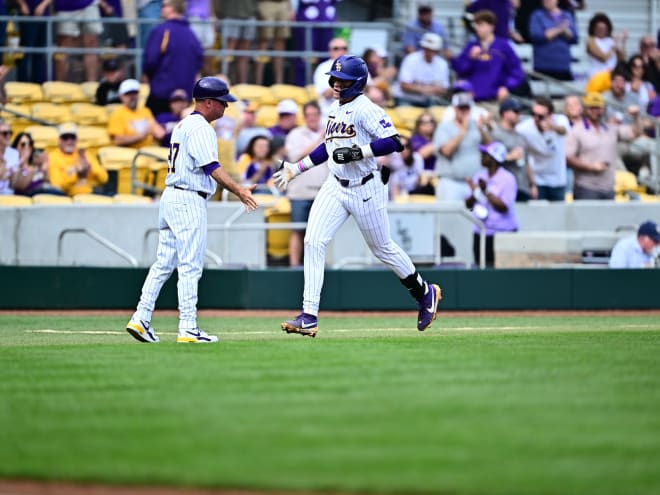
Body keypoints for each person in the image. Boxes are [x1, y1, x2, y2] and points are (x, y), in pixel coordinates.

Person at [273, 55, 442, 337]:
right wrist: (296, 168)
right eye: (335, 79)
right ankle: (309, 315)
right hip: (335, 185)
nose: (337, 84)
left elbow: (395, 142)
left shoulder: (366, 109)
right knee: (313, 240)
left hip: (365, 187)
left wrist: (357, 152)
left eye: (343, 80)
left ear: (358, 82)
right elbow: (327, 149)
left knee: (382, 248)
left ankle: (424, 292)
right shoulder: (333, 108)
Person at [126, 77, 259, 344]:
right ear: (208, 102)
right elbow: (211, 167)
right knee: (190, 265)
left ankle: (141, 317)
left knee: (164, 263)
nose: (225, 108)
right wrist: (240, 190)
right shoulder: (200, 128)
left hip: (172, 197)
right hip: (188, 198)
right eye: (222, 102)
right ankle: (188, 326)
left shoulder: (184, 124)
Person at [565, 92, 641, 200]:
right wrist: (590, 167)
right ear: (586, 109)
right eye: (592, 108)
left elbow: (635, 133)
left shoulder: (611, 129)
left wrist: (636, 117)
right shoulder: (577, 130)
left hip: (608, 188)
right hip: (586, 187)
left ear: (604, 109)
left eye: (598, 108)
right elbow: (568, 158)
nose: (595, 111)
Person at [284, 100, 327, 267]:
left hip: (323, 191)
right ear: (304, 117)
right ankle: (294, 264)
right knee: (297, 230)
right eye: (309, 115)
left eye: (315, 114)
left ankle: (318, 264)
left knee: (321, 233)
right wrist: (319, 140)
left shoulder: (327, 134)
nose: (312, 118)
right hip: (300, 192)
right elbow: (296, 157)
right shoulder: (295, 135)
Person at [142, 0, 203, 117]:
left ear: (173, 8)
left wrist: (148, 75)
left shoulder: (162, 31)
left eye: (164, 5)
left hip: (162, 95)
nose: (161, 8)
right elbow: (199, 63)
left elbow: (150, 61)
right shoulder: (191, 34)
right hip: (185, 97)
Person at [451, 10, 527, 103]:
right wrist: (470, 59)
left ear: (491, 26)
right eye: (476, 25)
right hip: (473, 99)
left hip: (495, 99)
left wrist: (507, 87)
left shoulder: (503, 46)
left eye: (481, 25)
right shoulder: (471, 47)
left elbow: (517, 71)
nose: (478, 28)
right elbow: (460, 70)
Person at [465, 141, 518, 267]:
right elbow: (468, 204)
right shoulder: (479, 175)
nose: (481, 157)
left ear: (494, 158)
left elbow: (503, 207)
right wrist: (475, 191)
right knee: (480, 268)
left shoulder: (508, 178)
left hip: (503, 233)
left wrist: (485, 191)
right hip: (481, 232)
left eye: (485, 154)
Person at [433, 90, 490, 201]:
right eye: (461, 108)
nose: (464, 111)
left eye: (466, 108)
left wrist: (482, 129)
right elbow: (446, 151)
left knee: (477, 216)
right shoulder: (444, 127)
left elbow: (490, 147)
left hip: (475, 182)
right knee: (449, 217)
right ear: (454, 109)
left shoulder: (476, 125)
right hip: (451, 182)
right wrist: (463, 130)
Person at [515, 96, 569, 201]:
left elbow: (564, 130)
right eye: (533, 114)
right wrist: (532, 183)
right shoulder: (525, 128)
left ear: (550, 115)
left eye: (540, 116)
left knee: (558, 214)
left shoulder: (560, 120)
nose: (536, 119)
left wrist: (552, 127)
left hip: (558, 178)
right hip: (538, 179)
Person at [490, 97, 535, 201]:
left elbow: (527, 163)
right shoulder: (495, 135)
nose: (519, 115)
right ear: (505, 113)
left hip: (522, 186)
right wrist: (509, 157)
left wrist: (532, 184)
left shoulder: (521, 136)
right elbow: (490, 161)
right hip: (503, 187)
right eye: (515, 111)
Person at [47, 123, 109, 196]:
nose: (69, 141)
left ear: (77, 140)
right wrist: (77, 175)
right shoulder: (52, 157)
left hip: (89, 196)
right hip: (65, 198)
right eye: (65, 138)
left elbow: (104, 178)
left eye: (72, 138)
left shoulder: (84, 154)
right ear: (59, 140)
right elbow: (57, 185)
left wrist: (90, 166)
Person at [395, 32, 450, 108]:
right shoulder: (411, 59)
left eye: (432, 49)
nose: (428, 51)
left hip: (429, 101)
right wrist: (428, 89)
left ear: (437, 51)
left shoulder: (442, 64)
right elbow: (404, 86)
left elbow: (443, 89)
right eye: (426, 48)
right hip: (407, 99)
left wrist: (418, 88)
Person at [292, 0, 340, 86]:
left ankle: (326, 84)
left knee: (326, 56)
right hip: (308, 19)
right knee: (305, 56)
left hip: (327, 20)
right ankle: (302, 85)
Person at [52, 0, 102, 81]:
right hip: (65, 7)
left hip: (89, 4)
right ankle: (59, 85)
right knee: (62, 48)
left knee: (91, 46)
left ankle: (92, 86)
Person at [107, 78, 165, 149]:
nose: (132, 97)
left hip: (151, 151)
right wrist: (142, 135)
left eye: (134, 93)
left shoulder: (145, 111)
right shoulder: (117, 114)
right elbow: (118, 140)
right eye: (128, 94)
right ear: (121, 97)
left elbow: (158, 132)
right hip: (131, 153)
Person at [528, 0, 578, 81]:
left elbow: (574, 37)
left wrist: (553, 32)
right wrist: (560, 29)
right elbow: (537, 36)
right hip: (542, 66)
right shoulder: (537, 16)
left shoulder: (567, 15)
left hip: (563, 66)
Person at [10, 132, 65, 197]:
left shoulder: (36, 164)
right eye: (23, 144)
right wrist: (23, 161)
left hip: (42, 197)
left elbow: (46, 181)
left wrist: (44, 170)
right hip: (26, 196)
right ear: (16, 146)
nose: (27, 147)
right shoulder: (13, 164)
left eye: (30, 144)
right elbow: (19, 187)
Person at [217, 0, 258, 84]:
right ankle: (221, 83)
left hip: (250, 14)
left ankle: (242, 84)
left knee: (244, 54)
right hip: (230, 14)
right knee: (228, 51)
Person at [254, 0, 293, 85]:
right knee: (263, 44)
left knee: (280, 45)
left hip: (283, 4)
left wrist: (290, 8)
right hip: (266, 3)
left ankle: (279, 84)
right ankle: (258, 83)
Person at [15, 0, 49, 84]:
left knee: (40, 52)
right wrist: (22, 4)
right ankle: (22, 82)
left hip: (43, 16)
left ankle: (38, 83)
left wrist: (43, 5)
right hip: (26, 15)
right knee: (24, 52)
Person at [313, 38, 348, 120]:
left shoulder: (356, 65)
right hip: (330, 115)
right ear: (330, 51)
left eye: (344, 48)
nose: (341, 51)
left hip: (354, 113)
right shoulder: (323, 68)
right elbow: (326, 94)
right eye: (336, 48)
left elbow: (368, 87)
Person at [586, 12, 627, 79]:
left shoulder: (610, 40)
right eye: (598, 29)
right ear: (593, 29)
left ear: (607, 30)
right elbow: (602, 57)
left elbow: (622, 59)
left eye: (603, 29)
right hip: (597, 75)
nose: (601, 31)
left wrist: (623, 42)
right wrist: (614, 46)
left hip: (612, 75)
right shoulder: (591, 40)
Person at [0, 119, 20, 195]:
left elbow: (13, 184)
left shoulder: (14, 153)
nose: (8, 136)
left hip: (9, 194)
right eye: (5, 133)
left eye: (10, 133)